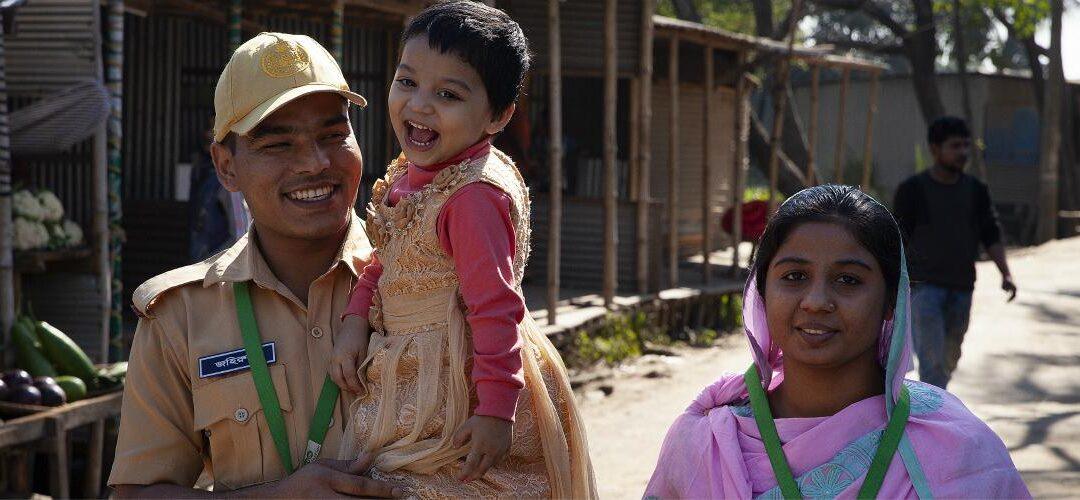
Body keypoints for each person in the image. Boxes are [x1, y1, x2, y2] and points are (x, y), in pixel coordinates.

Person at [108, 33, 400, 497]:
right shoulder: (180, 317)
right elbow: (136, 493)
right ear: (226, 167)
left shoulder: (428, 281)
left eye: (333, 135)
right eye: (278, 145)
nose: (315, 163)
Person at [330, 2, 596, 497]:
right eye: (407, 82)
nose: (420, 106)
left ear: (497, 116)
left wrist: (495, 411)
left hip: (461, 387)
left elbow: (495, 307)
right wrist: (353, 321)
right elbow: (386, 257)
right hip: (409, 375)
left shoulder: (472, 197)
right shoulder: (411, 175)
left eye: (448, 94)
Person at [644, 185, 1029, 498]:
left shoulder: (959, 449)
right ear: (761, 292)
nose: (815, 302)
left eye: (848, 280)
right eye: (794, 276)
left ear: (891, 300)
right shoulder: (705, 444)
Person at [893, 116, 1016, 389]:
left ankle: (935, 398)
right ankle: (934, 413)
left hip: (962, 288)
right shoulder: (912, 191)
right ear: (935, 149)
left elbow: (990, 233)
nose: (962, 153)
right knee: (933, 361)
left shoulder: (976, 191)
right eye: (955, 146)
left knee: (950, 357)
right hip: (925, 290)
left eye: (965, 146)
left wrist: (1005, 273)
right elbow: (897, 240)